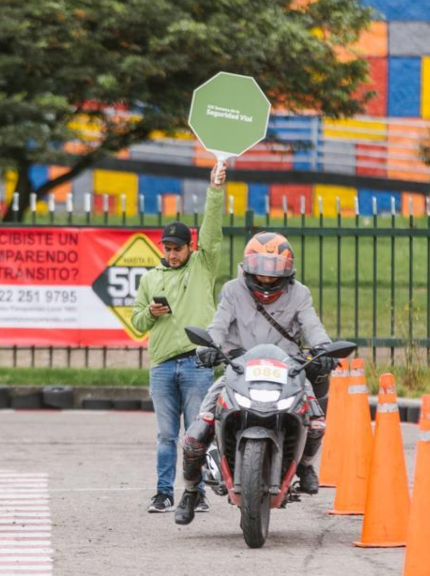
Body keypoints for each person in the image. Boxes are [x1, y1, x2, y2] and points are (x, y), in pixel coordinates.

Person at [174, 232, 337, 525]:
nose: (265, 279)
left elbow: (313, 326)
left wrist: (324, 350)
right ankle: (189, 491)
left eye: (273, 271)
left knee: (316, 423)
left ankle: (306, 467)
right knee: (195, 435)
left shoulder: (300, 293)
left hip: (288, 369)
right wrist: (208, 347)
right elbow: (218, 324)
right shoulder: (233, 290)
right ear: (248, 267)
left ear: (287, 271)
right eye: (260, 271)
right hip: (239, 367)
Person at [130, 161, 226, 514]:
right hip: (161, 366)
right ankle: (163, 492)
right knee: (165, 436)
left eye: (177, 248)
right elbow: (137, 321)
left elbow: (212, 229)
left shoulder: (204, 265)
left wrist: (215, 190)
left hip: (197, 363)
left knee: (196, 433)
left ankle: (196, 492)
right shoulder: (150, 279)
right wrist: (149, 314)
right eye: (167, 248)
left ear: (190, 247)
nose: (171, 254)